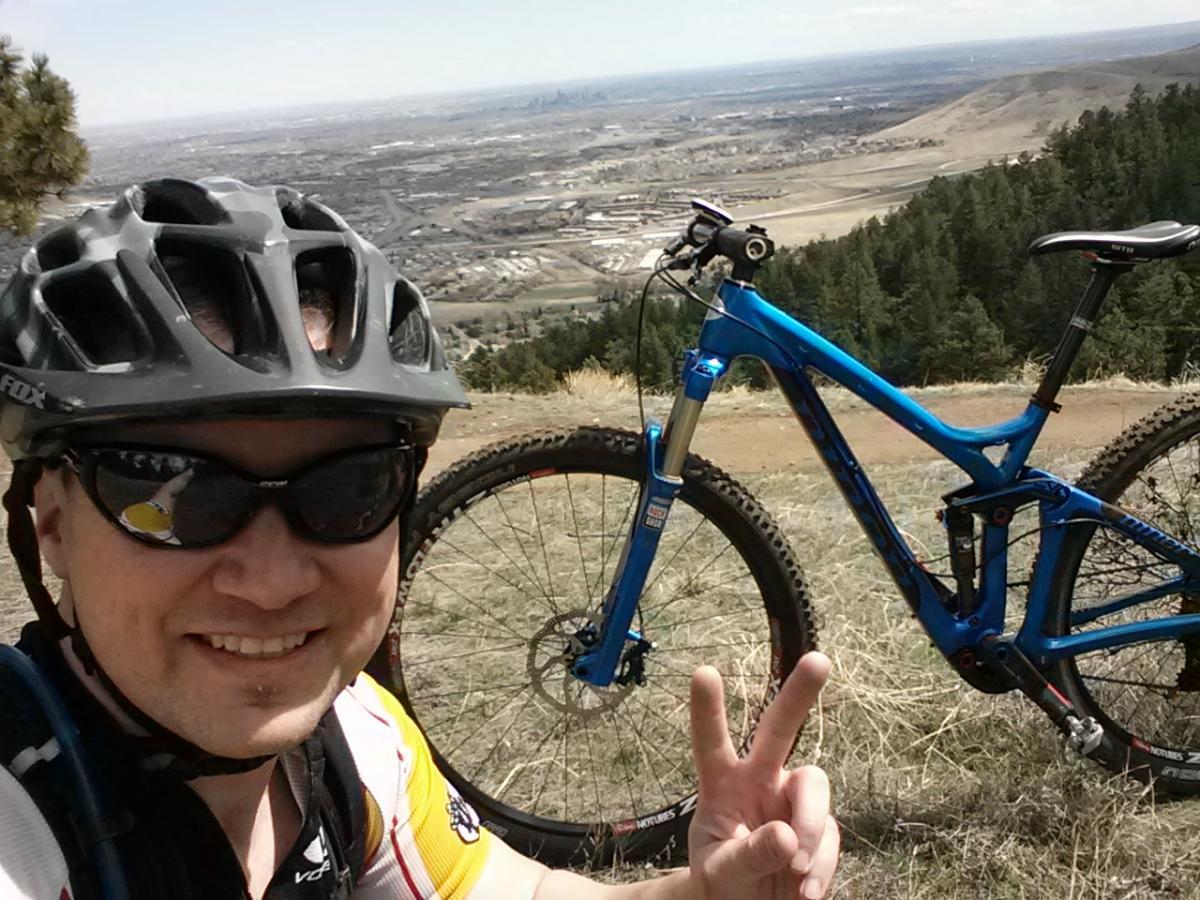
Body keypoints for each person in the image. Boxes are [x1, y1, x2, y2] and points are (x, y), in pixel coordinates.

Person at [0, 177, 839, 899]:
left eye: (347, 488)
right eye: (171, 492)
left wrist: (704, 892)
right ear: (51, 525)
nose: (272, 580)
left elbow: (521, 890)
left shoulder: (354, 739)